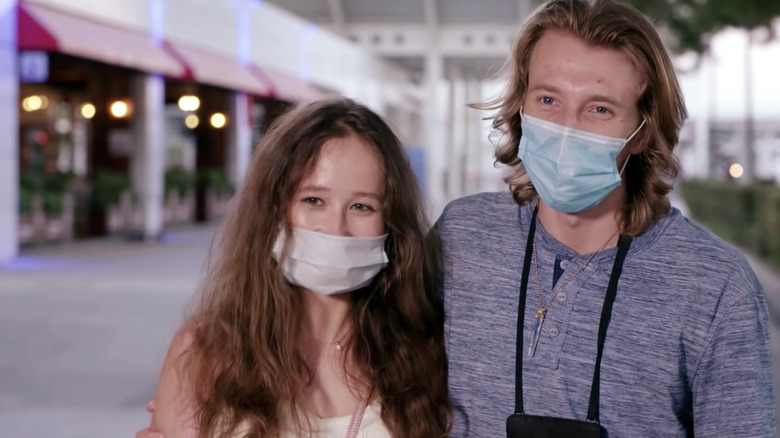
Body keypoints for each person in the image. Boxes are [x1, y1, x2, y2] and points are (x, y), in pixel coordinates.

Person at [437, 0, 776, 437]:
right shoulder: (461, 236)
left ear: (642, 132)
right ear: (520, 106)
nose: (566, 127)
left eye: (599, 109)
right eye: (547, 99)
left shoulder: (713, 285)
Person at [136, 98, 451, 438]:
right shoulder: (204, 351)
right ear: (273, 210)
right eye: (313, 200)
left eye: (362, 206)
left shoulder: (428, 357)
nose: (336, 228)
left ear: (391, 226)